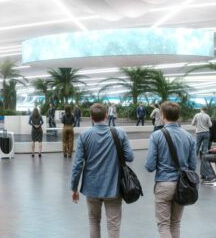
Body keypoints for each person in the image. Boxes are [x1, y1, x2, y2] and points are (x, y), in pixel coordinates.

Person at [71, 103, 134, 238]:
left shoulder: (84, 135)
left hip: (91, 187)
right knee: (113, 224)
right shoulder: (120, 133)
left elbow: (77, 165)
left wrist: (74, 188)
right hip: (113, 187)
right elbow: (130, 156)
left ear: (91, 117)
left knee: (94, 221)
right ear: (106, 115)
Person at [145, 101, 197, 238]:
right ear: (178, 116)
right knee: (175, 223)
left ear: (162, 115)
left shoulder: (156, 136)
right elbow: (192, 166)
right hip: (183, 185)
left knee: (163, 225)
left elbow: (149, 166)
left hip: (164, 184)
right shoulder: (189, 137)